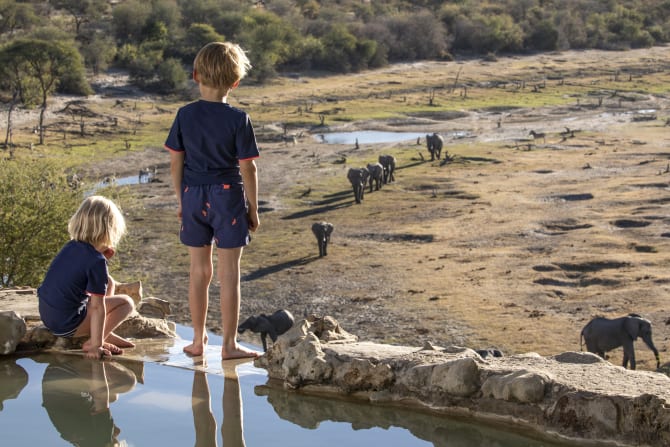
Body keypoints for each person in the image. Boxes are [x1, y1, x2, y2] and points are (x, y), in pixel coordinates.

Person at [165, 41, 261, 359]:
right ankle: (230, 345)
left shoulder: (184, 115)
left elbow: (175, 162)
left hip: (193, 196)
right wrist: (253, 207)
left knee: (199, 271)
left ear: (196, 76)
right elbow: (248, 167)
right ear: (235, 82)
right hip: (227, 196)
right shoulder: (238, 119)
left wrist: (182, 200)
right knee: (228, 273)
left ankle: (196, 339)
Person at [37, 195, 135, 360]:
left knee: (108, 282)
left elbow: (77, 276)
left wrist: (102, 256)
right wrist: (96, 347)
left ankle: (103, 331)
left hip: (49, 316)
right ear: (109, 229)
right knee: (127, 302)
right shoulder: (95, 261)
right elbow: (97, 307)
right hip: (67, 324)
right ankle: (95, 341)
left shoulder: (70, 246)